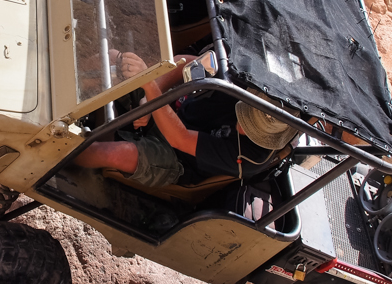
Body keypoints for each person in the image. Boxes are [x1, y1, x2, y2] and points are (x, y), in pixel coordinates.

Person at [74, 53, 298, 188]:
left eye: (251, 131)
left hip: (177, 158)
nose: (240, 126)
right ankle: (60, 81)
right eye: (245, 116)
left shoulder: (250, 159)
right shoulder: (248, 77)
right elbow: (186, 62)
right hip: (174, 107)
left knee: (111, 153)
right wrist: (150, 98)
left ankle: (52, 162)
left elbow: (179, 139)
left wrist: (151, 91)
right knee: (115, 58)